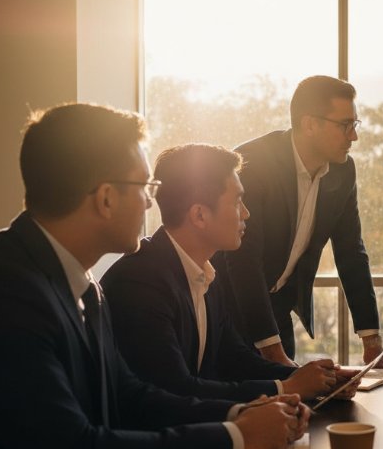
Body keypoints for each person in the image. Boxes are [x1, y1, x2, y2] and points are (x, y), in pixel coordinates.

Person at [0, 104, 309, 449]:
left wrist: (239, 414)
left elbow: (129, 396)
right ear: (106, 197)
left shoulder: (81, 281)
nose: (152, 200)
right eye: (145, 186)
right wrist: (235, 439)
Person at [102, 143, 360, 402]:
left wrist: (314, 378)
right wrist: (287, 388)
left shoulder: (206, 275)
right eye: (237, 201)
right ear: (200, 215)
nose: (246, 213)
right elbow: (175, 389)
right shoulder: (140, 282)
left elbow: (234, 359)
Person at [221, 75, 383, 368]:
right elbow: (243, 261)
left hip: (277, 311)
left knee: (295, 403)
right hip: (227, 309)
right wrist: (272, 353)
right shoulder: (252, 162)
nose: (354, 137)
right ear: (310, 124)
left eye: (355, 125)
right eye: (345, 125)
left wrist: (371, 340)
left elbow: (352, 253)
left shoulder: (343, 171)